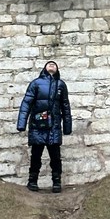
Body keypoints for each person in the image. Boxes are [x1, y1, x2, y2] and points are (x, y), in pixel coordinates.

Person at [16, 60, 72, 192]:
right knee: (36, 155)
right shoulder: (35, 83)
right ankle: (32, 181)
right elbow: (26, 104)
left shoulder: (61, 85)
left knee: (55, 156)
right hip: (37, 125)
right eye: (49, 64)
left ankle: (57, 182)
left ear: (57, 69)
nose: (52, 65)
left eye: (54, 64)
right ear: (44, 68)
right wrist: (21, 124)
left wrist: (67, 127)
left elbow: (66, 107)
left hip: (54, 126)